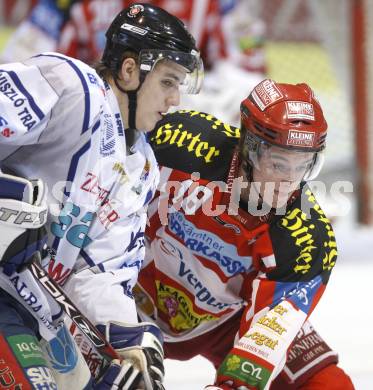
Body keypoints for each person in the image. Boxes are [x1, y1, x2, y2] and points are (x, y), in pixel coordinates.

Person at [0, 3, 203, 389]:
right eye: (168, 82)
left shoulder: (141, 167)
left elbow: (98, 274)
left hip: (26, 309)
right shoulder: (71, 86)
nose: (175, 99)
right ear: (130, 71)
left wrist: (130, 334)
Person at [135, 79, 355, 389]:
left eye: (304, 165)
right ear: (250, 149)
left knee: (330, 385)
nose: (289, 182)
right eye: (279, 163)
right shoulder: (178, 141)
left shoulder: (308, 239)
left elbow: (260, 349)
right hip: (131, 296)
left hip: (226, 320)